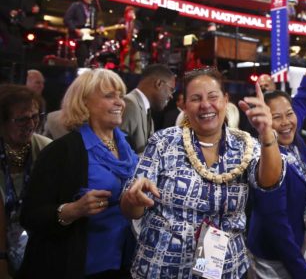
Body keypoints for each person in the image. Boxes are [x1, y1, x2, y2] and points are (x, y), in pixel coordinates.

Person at [120, 68, 282, 278]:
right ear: (184, 106)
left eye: (213, 97)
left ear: (225, 100)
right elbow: (131, 210)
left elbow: (269, 182)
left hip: (224, 269)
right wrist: (133, 199)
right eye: (196, 98)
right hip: (161, 268)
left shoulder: (245, 146)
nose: (206, 105)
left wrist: (267, 132)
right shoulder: (163, 142)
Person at [20, 69, 138, 277]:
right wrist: (74, 209)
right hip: (78, 266)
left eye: (120, 95)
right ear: (83, 103)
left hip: (124, 263)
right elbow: (30, 215)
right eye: (109, 96)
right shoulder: (62, 151)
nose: (119, 102)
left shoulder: (127, 147)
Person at [248, 40, 306, 279]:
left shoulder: (291, 127)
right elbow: (276, 225)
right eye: (276, 118)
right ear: (265, 122)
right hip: (273, 258)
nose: (287, 122)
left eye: (289, 114)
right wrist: (303, 271)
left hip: (298, 245)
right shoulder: (266, 159)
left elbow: (301, 98)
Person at [0, 85, 51, 276]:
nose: (31, 124)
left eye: (35, 116)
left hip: (35, 245)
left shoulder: (47, 149)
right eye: (22, 119)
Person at [120, 64, 176, 153]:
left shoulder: (147, 111)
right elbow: (116, 151)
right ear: (159, 84)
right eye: (171, 89)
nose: (171, 96)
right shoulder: (130, 104)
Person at [0, 0, 40, 65]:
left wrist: (32, 11)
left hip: (14, 28)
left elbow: (22, 13)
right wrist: (9, 11)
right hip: (2, 26)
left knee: (15, 53)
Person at [63, 0, 96, 66]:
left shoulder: (92, 9)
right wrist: (75, 29)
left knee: (90, 56)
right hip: (78, 36)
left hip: (88, 36)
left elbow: (93, 24)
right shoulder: (76, 6)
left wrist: (98, 28)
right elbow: (66, 19)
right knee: (82, 55)